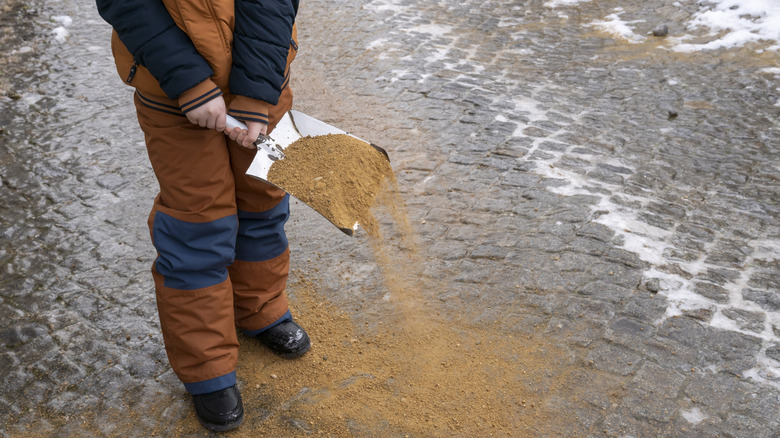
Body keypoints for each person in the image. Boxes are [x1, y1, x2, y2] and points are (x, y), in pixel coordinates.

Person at [95, 0, 308, 431]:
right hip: (173, 96)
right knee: (197, 226)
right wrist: (188, 82)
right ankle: (207, 366)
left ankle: (260, 309)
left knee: (262, 199)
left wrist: (255, 89)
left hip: (265, 83)